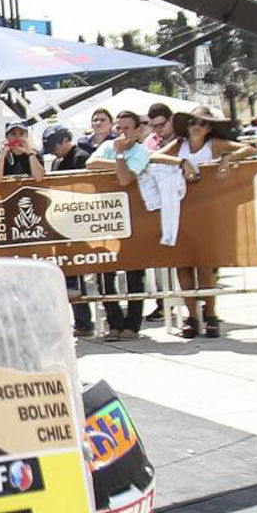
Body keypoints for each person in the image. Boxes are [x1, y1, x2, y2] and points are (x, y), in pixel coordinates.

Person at [85, 111, 195, 341]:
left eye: (127, 128)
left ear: (138, 131)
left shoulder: (141, 152)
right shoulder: (108, 146)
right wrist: (118, 160)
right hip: (108, 217)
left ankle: (133, 325)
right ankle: (114, 322)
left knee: (135, 272)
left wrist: (119, 158)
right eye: (119, 128)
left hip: (136, 217)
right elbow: (90, 163)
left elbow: (125, 178)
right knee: (105, 272)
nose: (122, 133)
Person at [157, 106, 257, 339]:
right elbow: (155, 156)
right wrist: (182, 162)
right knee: (183, 266)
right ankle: (192, 317)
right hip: (180, 209)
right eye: (192, 122)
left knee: (204, 266)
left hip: (207, 211)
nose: (196, 126)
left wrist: (229, 158)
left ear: (209, 127)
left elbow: (250, 149)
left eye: (201, 123)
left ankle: (211, 315)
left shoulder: (214, 145)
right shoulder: (179, 145)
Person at [42, 123, 94, 335]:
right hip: (63, 224)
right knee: (70, 277)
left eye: (54, 146)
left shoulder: (81, 158)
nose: (53, 151)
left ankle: (85, 322)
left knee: (77, 277)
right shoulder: (57, 162)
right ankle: (82, 322)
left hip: (80, 224)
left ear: (65, 140)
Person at [0, 121, 46, 186]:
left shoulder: (35, 154)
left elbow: (39, 178)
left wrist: (30, 153)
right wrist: (3, 154)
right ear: (7, 137)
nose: (17, 137)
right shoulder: (0, 155)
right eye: (13, 134)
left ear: (26, 136)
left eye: (21, 134)